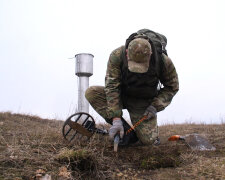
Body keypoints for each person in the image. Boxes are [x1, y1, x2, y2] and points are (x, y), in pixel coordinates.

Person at [85, 29, 179, 145]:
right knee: (92, 93)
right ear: (127, 53)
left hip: (142, 103)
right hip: (121, 96)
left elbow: (172, 87)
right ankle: (124, 131)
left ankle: (140, 136)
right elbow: (112, 86)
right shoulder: (117, 55)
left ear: (150, 55)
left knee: (149, 141)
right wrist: (116, 118)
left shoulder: (164, 61)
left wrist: (155, 106)